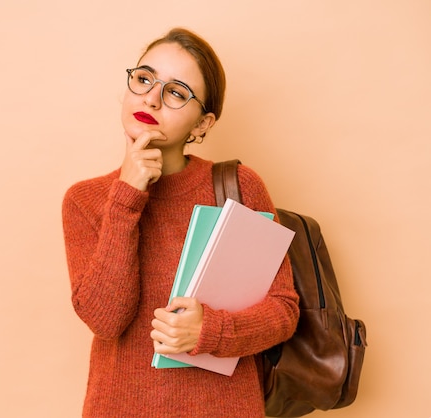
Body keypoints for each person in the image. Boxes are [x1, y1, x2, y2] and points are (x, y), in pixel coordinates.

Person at [62, 27, 299, 417]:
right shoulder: (85, 201)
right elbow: (106, 319)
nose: (151, 98)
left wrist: (209, 331)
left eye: (175, 92)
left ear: (202, 125)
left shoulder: (238, 186)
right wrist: (127, 196)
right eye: (143, 79)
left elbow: (283, 310)